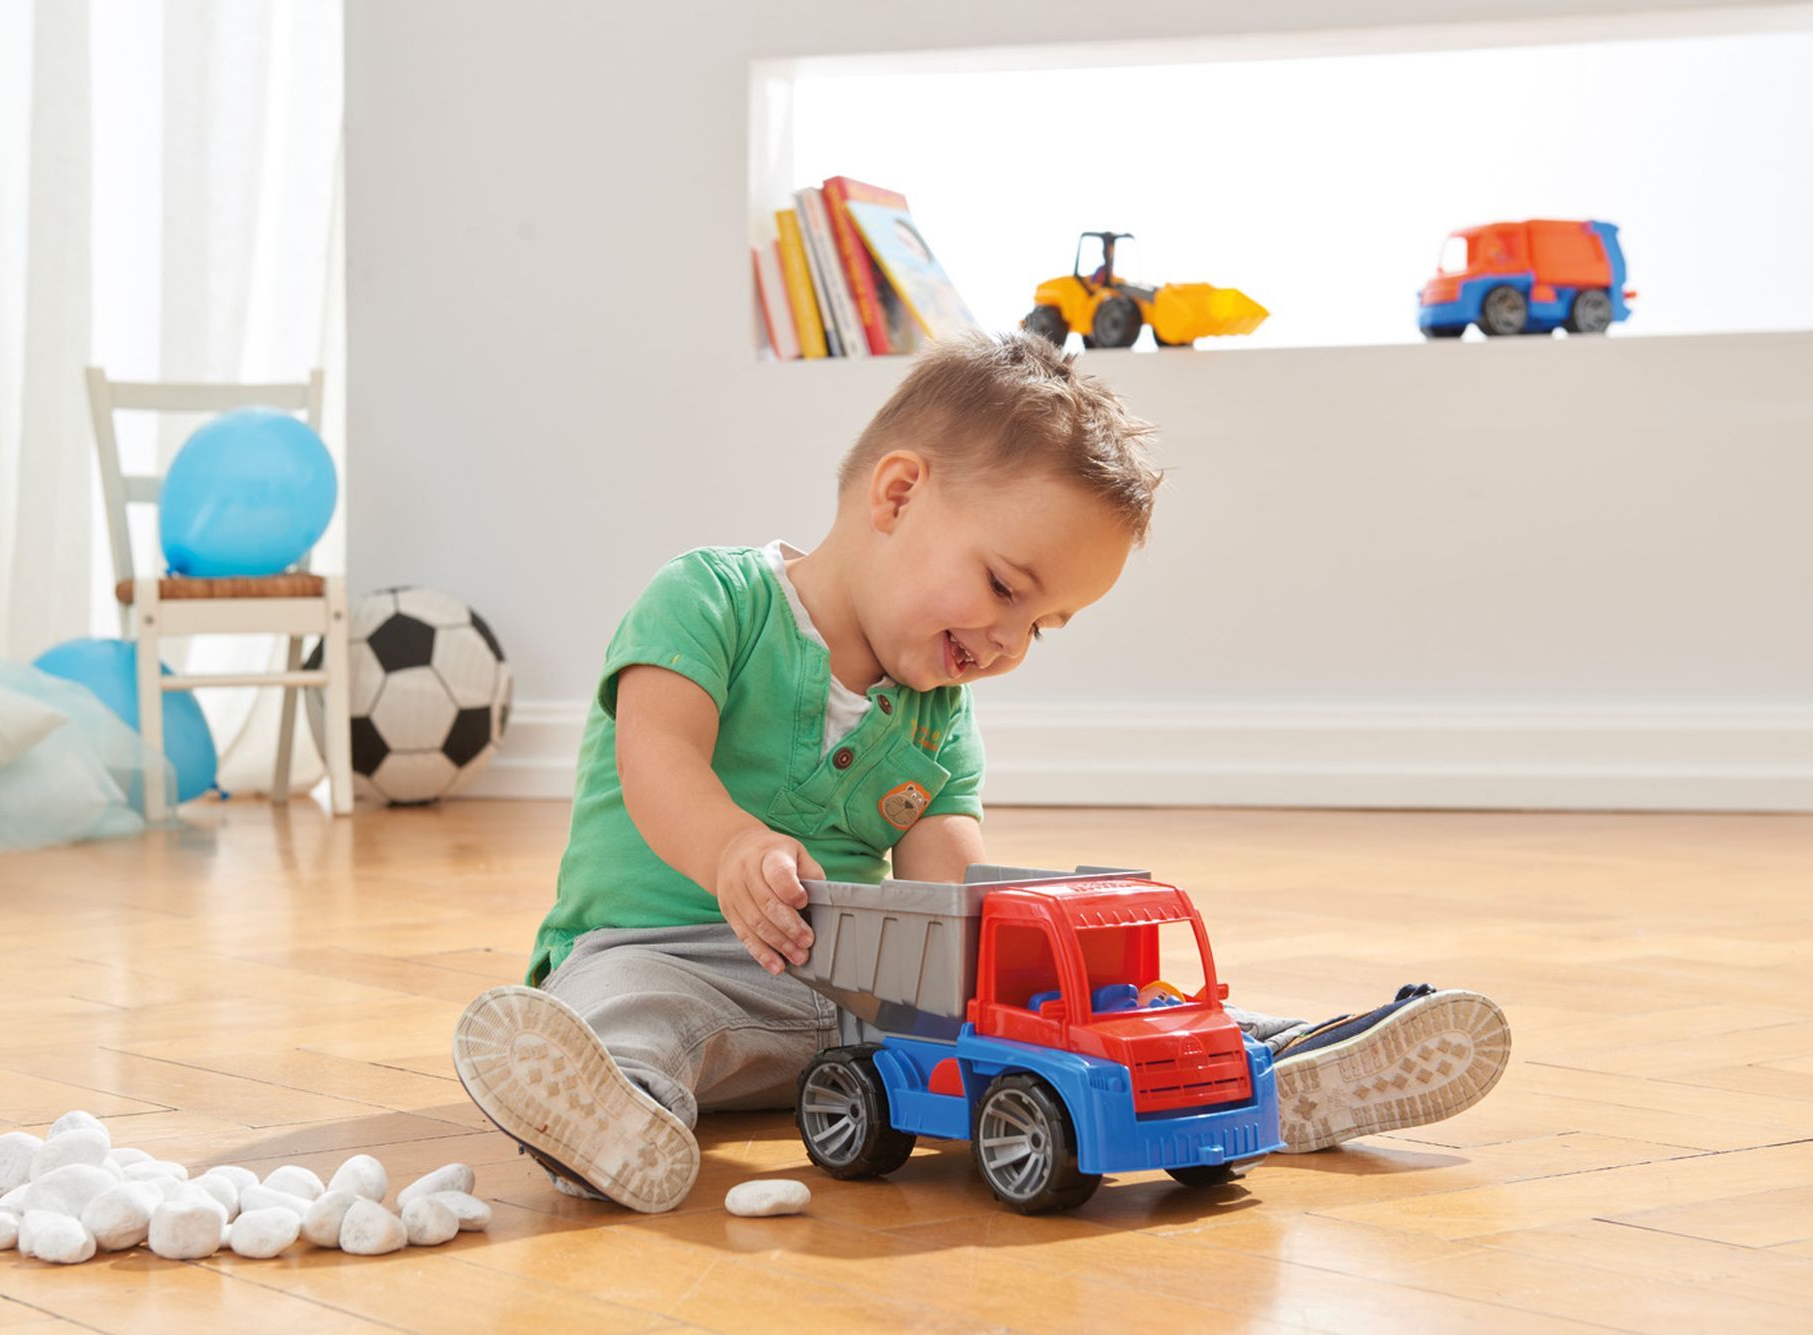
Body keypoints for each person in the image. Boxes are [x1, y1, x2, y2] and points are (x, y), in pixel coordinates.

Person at [451, 331, 1509, 1212]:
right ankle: (609, 1110)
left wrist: (1039, 944)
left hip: (853, 992)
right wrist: (729, 847)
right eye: (1004, 587)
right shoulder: (710, 601)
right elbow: (656, 754)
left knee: (1072, 1002)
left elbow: (949, 884)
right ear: (898, 493)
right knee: (624, 1008)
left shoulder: (938, 719)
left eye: (1041, 626)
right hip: (665, 952)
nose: (1008, 641)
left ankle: (1274, 1061)